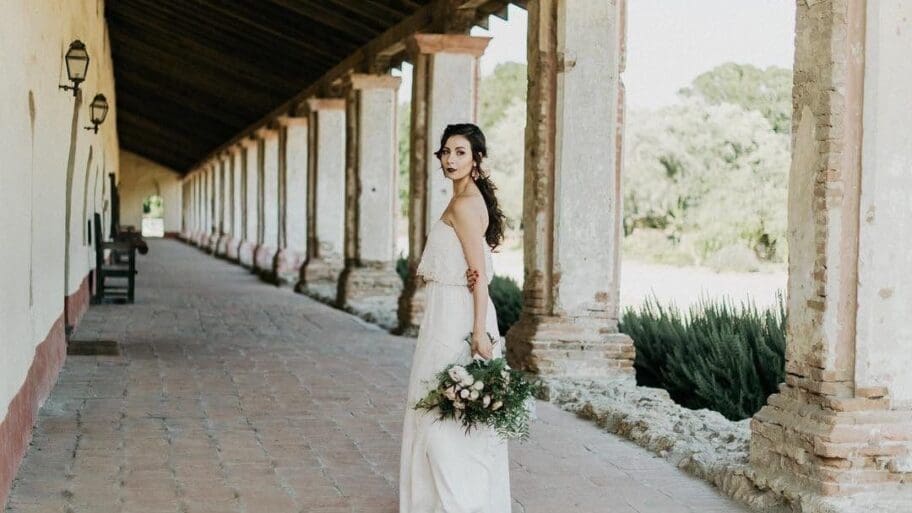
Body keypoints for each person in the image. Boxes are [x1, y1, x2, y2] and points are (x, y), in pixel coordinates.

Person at [399, 123, 511, 513]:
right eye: (446, 151)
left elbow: (478, 277)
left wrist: (478, 333)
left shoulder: (464, 204)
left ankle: (455, 503)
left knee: (440, 412)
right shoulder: (464, 198)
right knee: (444, 407)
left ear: (476, 158)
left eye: (460, 152)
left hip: (459, 318)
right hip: (448, 310)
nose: (450, 159)